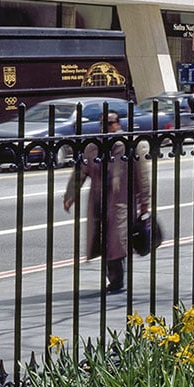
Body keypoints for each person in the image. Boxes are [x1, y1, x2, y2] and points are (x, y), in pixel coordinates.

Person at [63, 110, 152, 294]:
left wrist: (145, 201)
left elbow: (142, 175)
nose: (107, 126)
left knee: (116, 240)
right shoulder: (93, 147)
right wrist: (70, 195)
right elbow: (81, 172)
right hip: (98, 201)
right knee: (102, 240)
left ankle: (116, 280)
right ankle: (112, 277)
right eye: (103, 123)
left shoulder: (130, 145)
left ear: (118, 124)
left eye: (111, 122)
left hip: (121, 201)